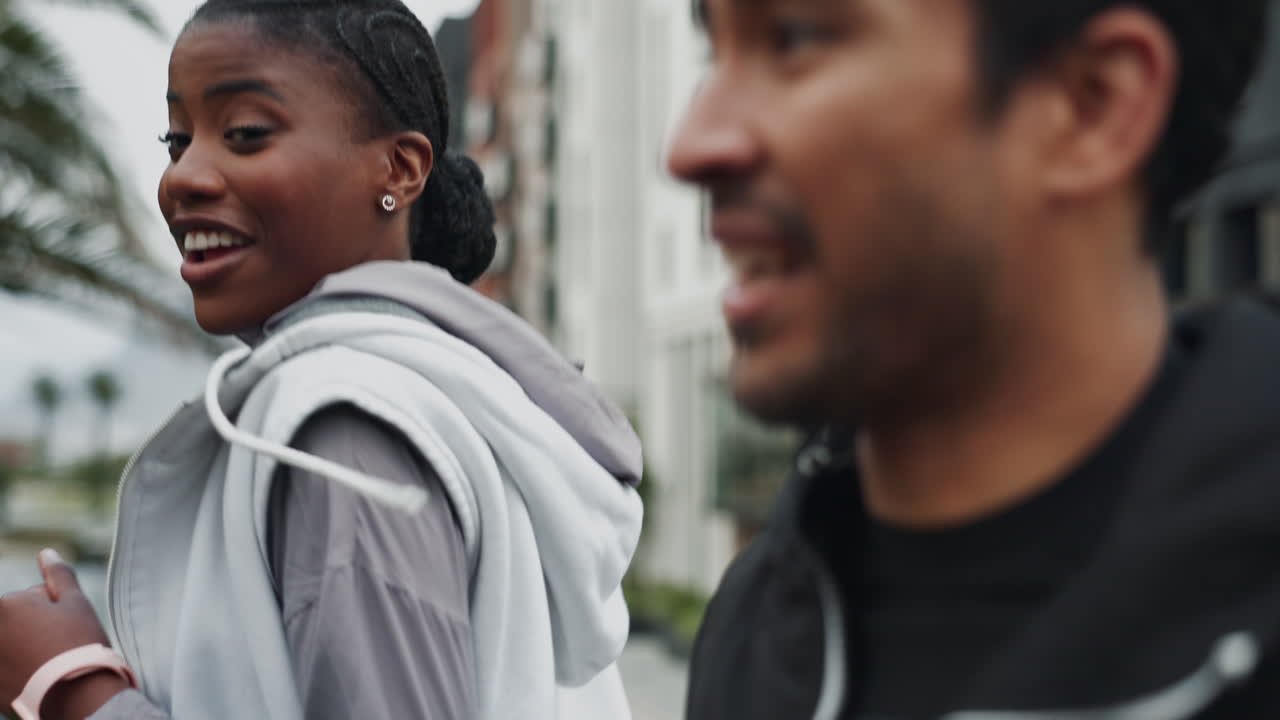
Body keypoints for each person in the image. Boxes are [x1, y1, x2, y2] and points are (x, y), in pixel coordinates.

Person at [0, 1, 643, 719]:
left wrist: (70, 689)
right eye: (176, 140)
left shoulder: (345, 426)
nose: (182, 178)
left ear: (399, 168)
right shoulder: (460, 401)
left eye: (244, 133)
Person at [669, 0, 1278, 718]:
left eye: (796, 39)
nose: (691, 144)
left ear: (1092, 106)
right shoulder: (759, 628)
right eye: (715, 52)